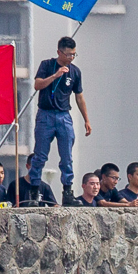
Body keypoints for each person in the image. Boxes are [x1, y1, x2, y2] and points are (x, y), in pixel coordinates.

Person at [30, 36, 90, 206]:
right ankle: (34, 191)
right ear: (59, 52)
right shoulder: (47, 65)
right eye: (68, 55)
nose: (71, 58)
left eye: (73, 55)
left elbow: (79, 97)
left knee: (67, 156)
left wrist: (86, 119)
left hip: (64, 115)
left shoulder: (75, 72)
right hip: (45, 114)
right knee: (40, 155)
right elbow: (38, 85)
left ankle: (67, 191)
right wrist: (55, 76)